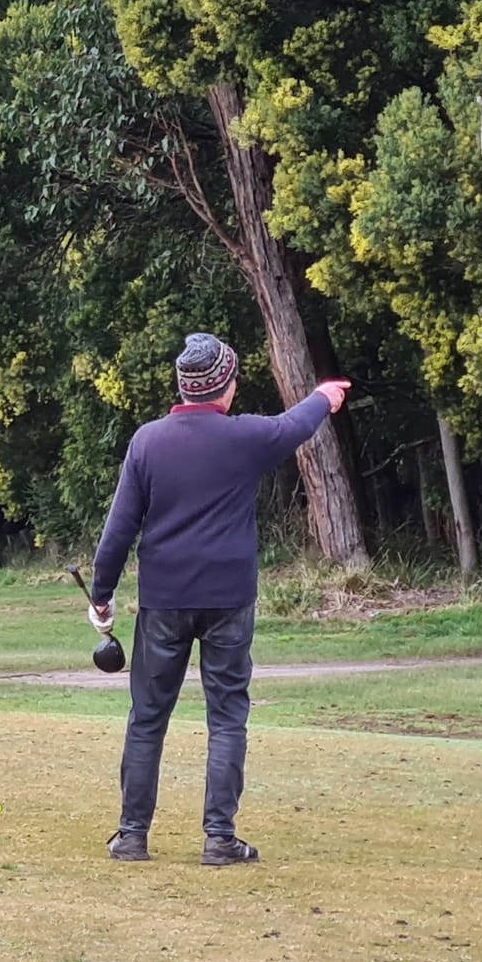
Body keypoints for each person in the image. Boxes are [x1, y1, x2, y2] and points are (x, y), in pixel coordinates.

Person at [88, 333, 348, 866]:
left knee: (147, 718)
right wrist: (325, 395)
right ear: (224, 388)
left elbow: (118, 531)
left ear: (183, 387)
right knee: (227, 717)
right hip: (230, 598)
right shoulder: (244, 437)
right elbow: (294, 424)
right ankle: (219, 839)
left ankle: (132, 835)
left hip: (163, 599)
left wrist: (102, 595)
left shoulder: (147, 442)